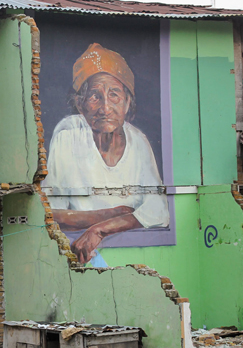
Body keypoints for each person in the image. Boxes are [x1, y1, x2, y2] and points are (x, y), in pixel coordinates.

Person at [42, 43, 168, 264]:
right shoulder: (68, 135)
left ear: (128, 102)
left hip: (134, 258)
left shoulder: (138, 141)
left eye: (114, 95)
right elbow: (52, 213)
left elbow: (158, 212)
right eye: (94, 96)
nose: (105, 108)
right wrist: (113, 213)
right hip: (75, 256)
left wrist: (99, 230)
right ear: (80, 105)